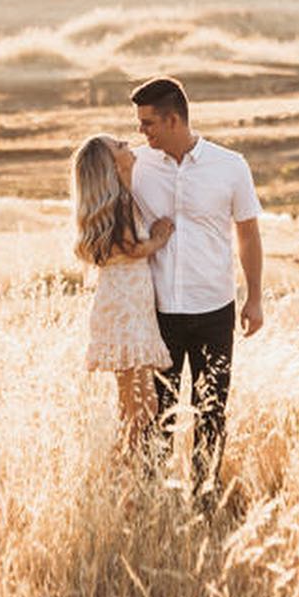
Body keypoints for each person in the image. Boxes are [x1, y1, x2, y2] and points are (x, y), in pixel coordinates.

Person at [129, 76, 264, 498]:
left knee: (211, 411)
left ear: (173, 120)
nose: (141, 131)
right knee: (160, 413)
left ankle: (206, 497)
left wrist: (255, 298)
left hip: (214, 310)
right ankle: (157, 499)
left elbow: (248, 233)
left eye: (148, 123)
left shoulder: (230, 166)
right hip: (160, 312)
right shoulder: (134, 165)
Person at [71, 133, 175, 457]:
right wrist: (160, 236)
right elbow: (133, 248)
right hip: (125, 311)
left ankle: (122, 473)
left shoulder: (121, 199)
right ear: (111, 166)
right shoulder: (122, 202)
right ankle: (121, 472)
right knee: (143, 407)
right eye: (119, 146)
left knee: (133, 405)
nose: (128, 144)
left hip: (124, 307)